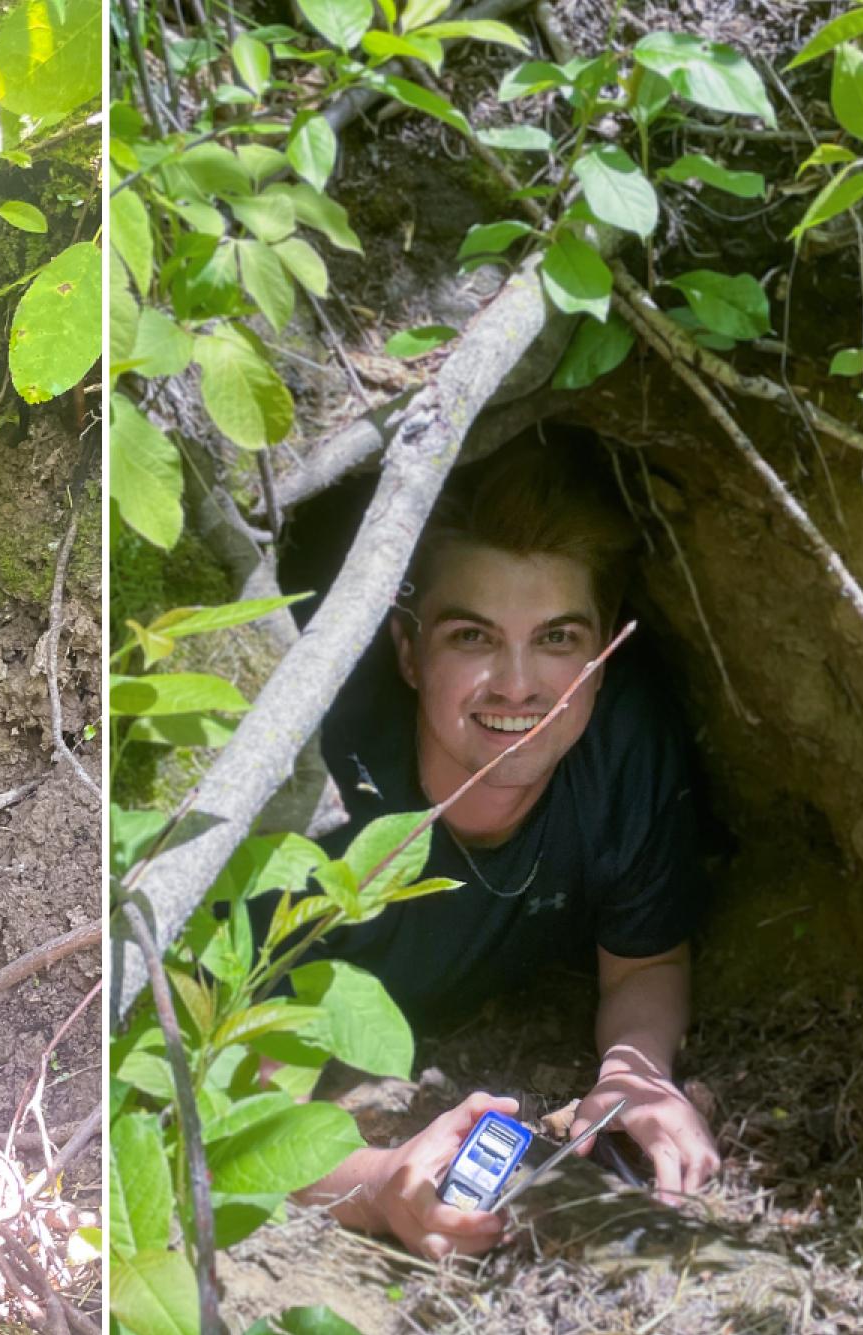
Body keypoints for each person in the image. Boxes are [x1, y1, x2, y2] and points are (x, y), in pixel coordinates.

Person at [293, 447, 717, 1259]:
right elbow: (230, 1125)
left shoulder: (622, 742)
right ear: (410, 653)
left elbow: (642, 963)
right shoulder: (322, 802)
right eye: (473, 636)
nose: (518, 685)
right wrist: (381, 1182)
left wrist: (634, 1070)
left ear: (600, 660)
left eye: (557, 638)